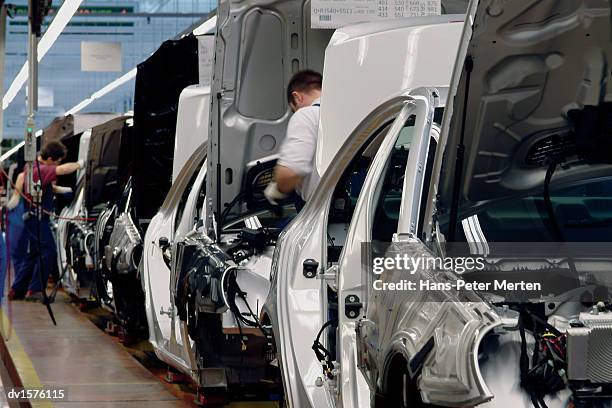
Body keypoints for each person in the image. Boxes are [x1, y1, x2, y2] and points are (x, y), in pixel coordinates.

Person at [8, 140, 83, 301]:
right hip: (37, 219)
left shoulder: (32, 168)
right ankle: (35, 290)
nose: (57, 164)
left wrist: (60, 190)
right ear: (49, 159)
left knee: (34, 253)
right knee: (49, 251)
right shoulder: (40, 169)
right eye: (57, 161)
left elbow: (45, 186)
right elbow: (63, 170)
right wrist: (81, 164)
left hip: (33, 218)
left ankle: (17, 289)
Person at [264, 70, 322, 210]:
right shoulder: (346, 111)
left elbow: (290, 172)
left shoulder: (306, 115)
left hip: (321, 213)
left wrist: (277, 189)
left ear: (297, 98)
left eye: (294, 110)